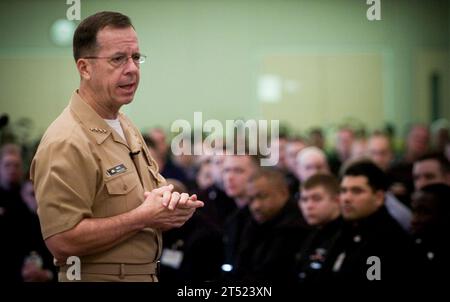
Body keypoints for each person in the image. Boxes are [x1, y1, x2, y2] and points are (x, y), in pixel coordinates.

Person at [30, 11, 203, 282]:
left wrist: (170, 203)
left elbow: (144, 198)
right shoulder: (66, 140)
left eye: (136, 57)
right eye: (118, 59)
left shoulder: (124, 124)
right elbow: (62, 242)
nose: (132, 68)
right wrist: (142, 218)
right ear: (84, 68)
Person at [329, 160, 420, 282]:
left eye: (356, 191)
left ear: (379, 197)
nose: (346, 198)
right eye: (344, 191)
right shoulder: (343, 231)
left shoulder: (388, 240)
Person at [295, 173, 343, 284]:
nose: (309, 206)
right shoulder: (307, 233)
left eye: (316, 199)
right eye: (304, 199)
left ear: (336, 200)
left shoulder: (345, 237)